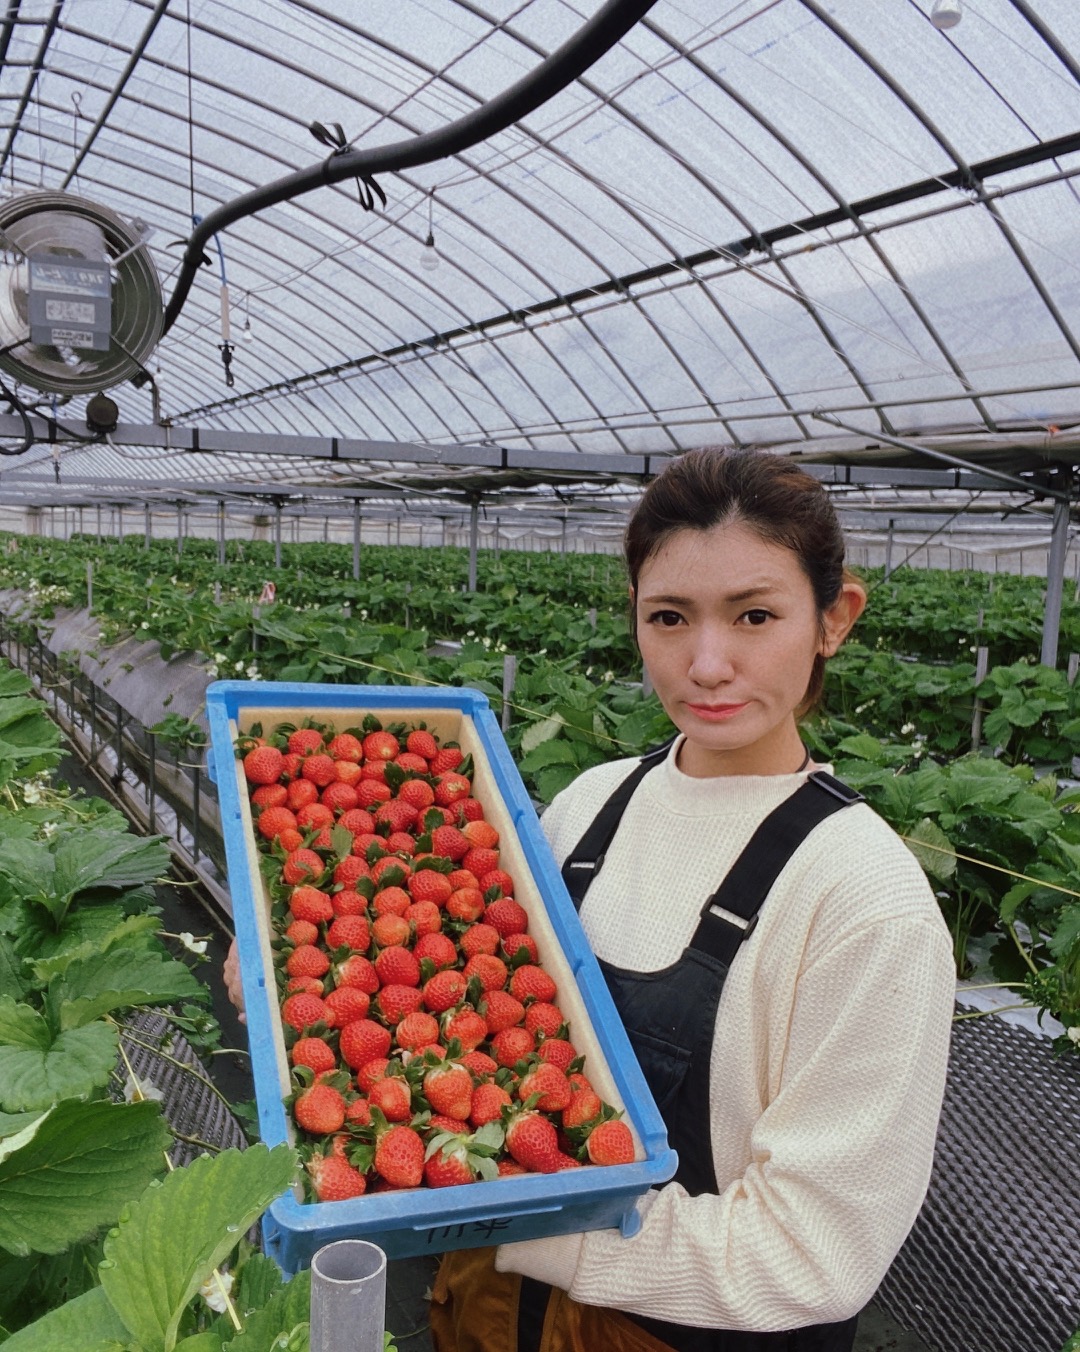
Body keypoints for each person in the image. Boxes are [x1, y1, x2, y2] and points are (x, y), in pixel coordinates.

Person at [428, 446, 956, 1352]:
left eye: (755, 614)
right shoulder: (588, 805)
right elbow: (474, 1003)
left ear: (835, 619)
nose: (707, 663)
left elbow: (814, 1251)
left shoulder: (865, 901)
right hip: (489, 1302)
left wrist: (518, 1219)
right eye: (670, 617)